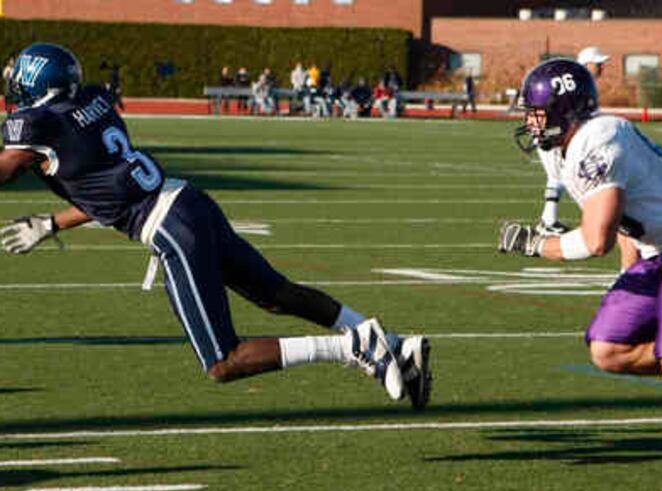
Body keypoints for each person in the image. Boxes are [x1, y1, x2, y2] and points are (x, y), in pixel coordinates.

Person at [0, 43, 431, 410]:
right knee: (276, 295)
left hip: (168, 226)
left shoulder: (38, 124)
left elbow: (10, 167)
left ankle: (352, 346)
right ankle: (392, 344)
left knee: (224, 361)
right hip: (187, 200)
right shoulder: (91, 102)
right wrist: (53, 222)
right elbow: (108, 192)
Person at [500, 58, 662, 491]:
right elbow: (623, 223)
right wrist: (629, 280)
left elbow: (596, 237)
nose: (530, 121)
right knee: (609, 349)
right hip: (660, 251)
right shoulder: (574, 145)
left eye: (537, 112)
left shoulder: (599, 140)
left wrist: (533, 244)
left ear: (565, 110)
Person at [530, 46, 639, 272]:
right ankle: (548, 220)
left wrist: (534, 245)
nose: (601, 67)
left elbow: (597, 242)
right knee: (558, 177)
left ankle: (548, 221)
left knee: (620, 221)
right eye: (597, 63)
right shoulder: (570, 87)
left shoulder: (593, 135)